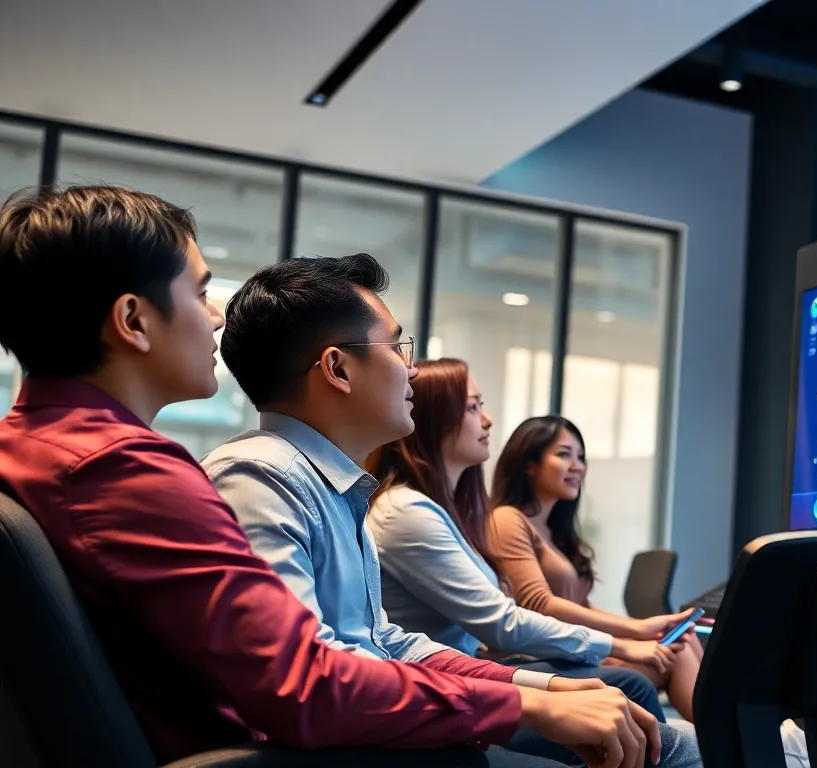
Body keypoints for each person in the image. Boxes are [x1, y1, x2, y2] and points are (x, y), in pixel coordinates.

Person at [0, 186, 666, 768]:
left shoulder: (35, 445)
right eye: (201, 292)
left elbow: (366, 644)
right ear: (133, 321)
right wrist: (525, 708)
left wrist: (530, 694)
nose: (216, 315)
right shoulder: (129, 470)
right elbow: (303, 689)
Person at [201, 254, 696, 768]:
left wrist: (540, 687)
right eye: (396, 346)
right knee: (677, 748)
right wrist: (527, 704)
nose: (411, 368)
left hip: (380, 733)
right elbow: (308, 681)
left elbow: (385, 641)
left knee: (665, 736)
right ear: (338, 369)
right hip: (346, 750)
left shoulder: (335, 487)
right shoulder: (259, 478)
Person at [365, 358, 694, 718]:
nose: (487, 420)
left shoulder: (440, 512)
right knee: (633, 684)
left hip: (467, 671)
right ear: (435, 419)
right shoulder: (408, 512)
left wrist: (628, 637)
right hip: (448, 689)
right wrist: (624, 641)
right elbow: (507, 620)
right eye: (473, 407)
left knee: (671, 654)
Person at [486, 417, 703, 722]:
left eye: (580, 457)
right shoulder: (508, 519)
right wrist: (635, 632)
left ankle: (733, 738)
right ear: (529, 464)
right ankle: (728, 744)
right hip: (539, 665)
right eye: (564, 454)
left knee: (683, 637)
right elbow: (539, 605)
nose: (577, 466)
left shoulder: (553, 533)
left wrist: (645, 628)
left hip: (569, 653)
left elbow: (581, 607)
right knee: (678, 652)